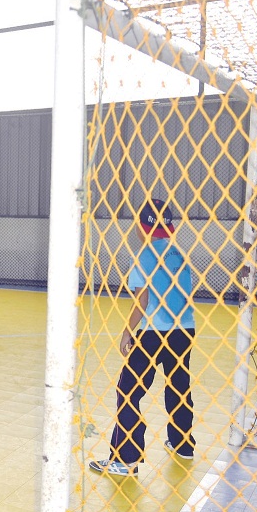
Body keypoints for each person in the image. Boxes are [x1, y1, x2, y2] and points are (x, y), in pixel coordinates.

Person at [90, 199, 197, 477]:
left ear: (141, 227)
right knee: (178, 385)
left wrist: (128, 331)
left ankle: (124, 460)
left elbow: (142, 298)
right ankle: (183, 443)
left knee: (128, 391)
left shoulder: (143, 255)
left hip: (154, 333)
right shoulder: (179, 253)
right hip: (185, 330)